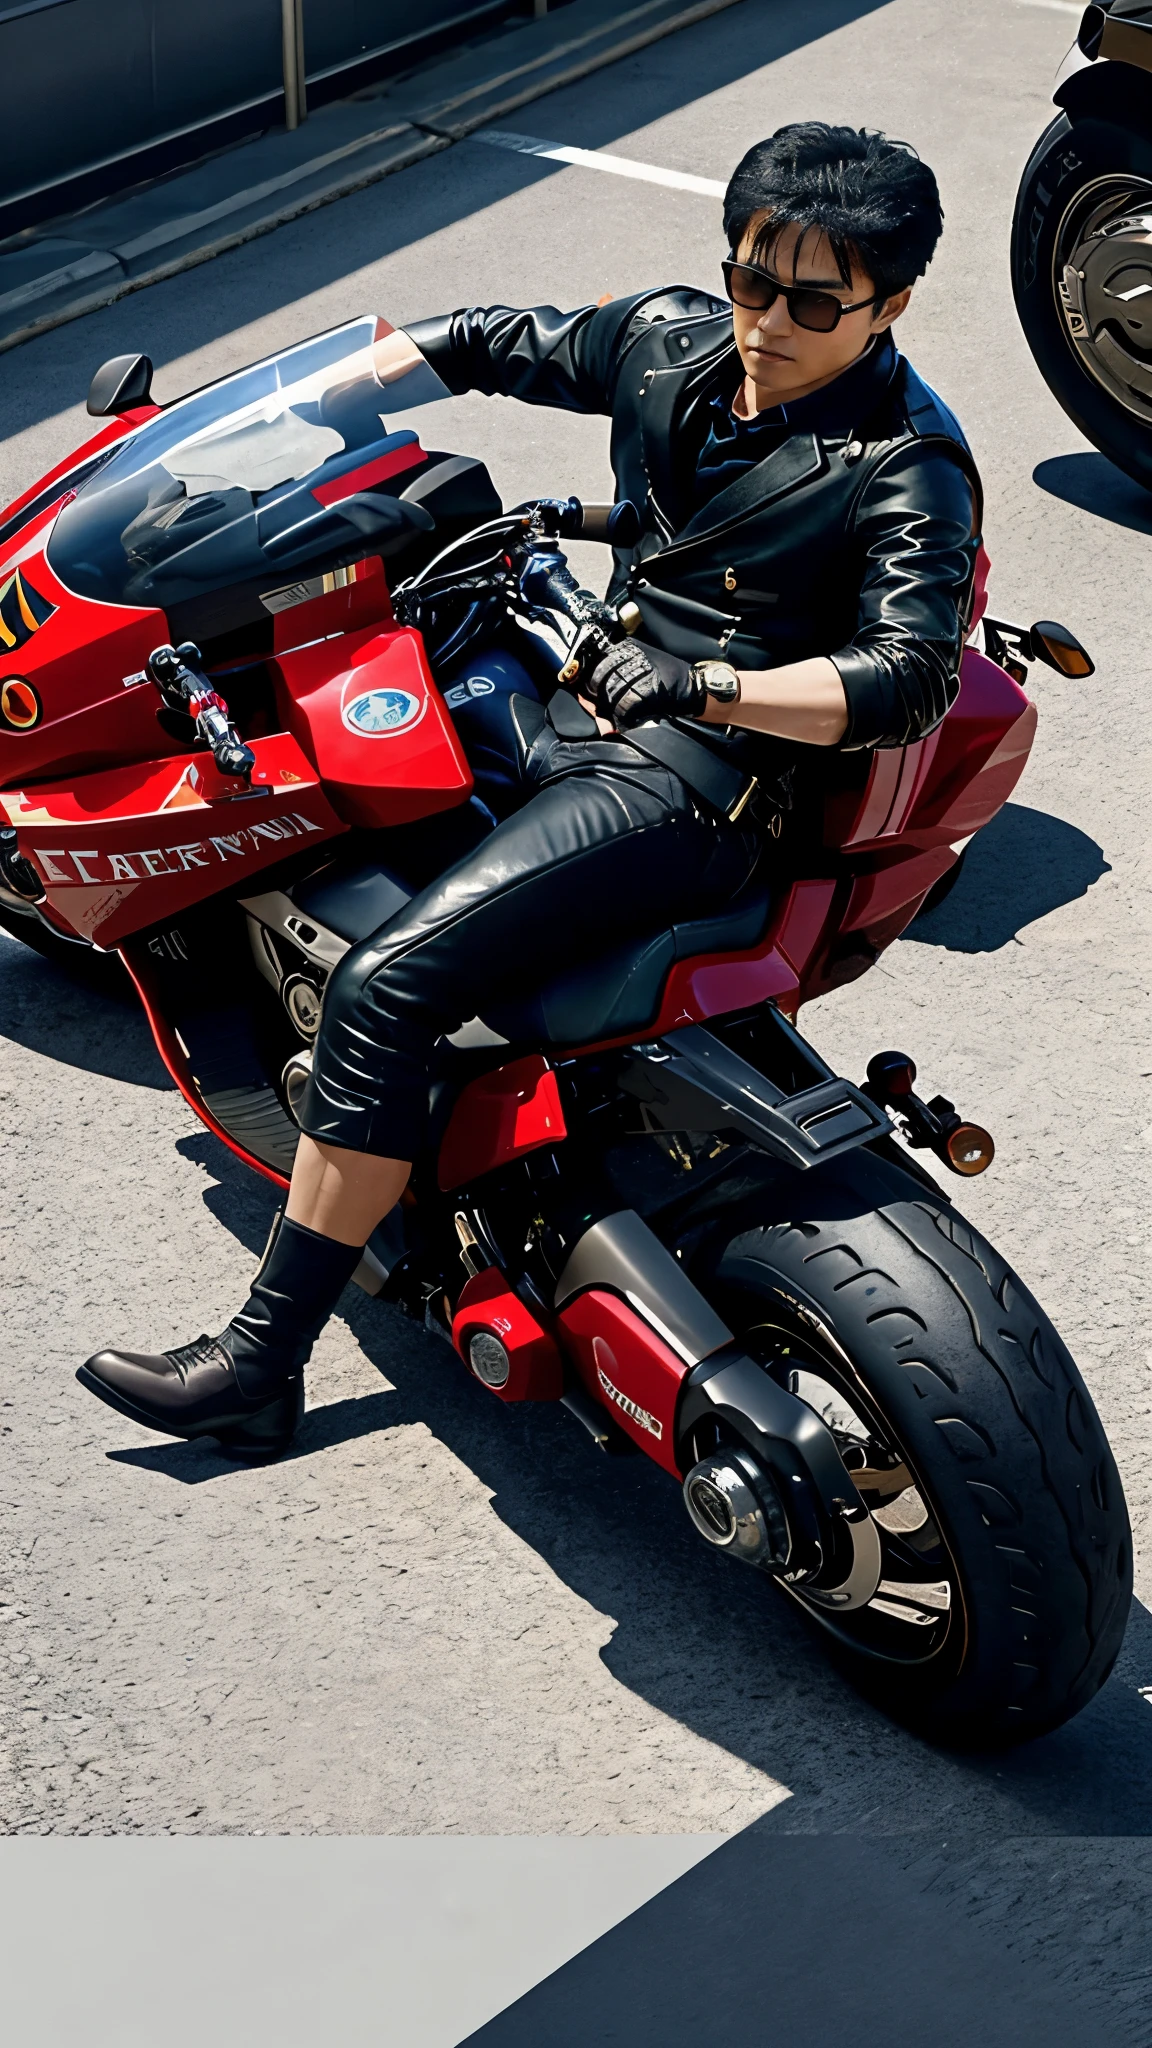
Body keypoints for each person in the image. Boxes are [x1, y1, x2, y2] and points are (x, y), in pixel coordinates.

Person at [78, 122, 982, 1459]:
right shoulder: (678, 342)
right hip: (570, 674)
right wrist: (313, 399)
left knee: (390, 988)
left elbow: (909, 677)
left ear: (891, 303)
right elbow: (503, 339)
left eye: (814, 302)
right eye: (751, 282)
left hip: (703, 777)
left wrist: (707, 692)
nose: (768, 324)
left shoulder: (906, 464)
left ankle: (262, 1363)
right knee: (341, 764)